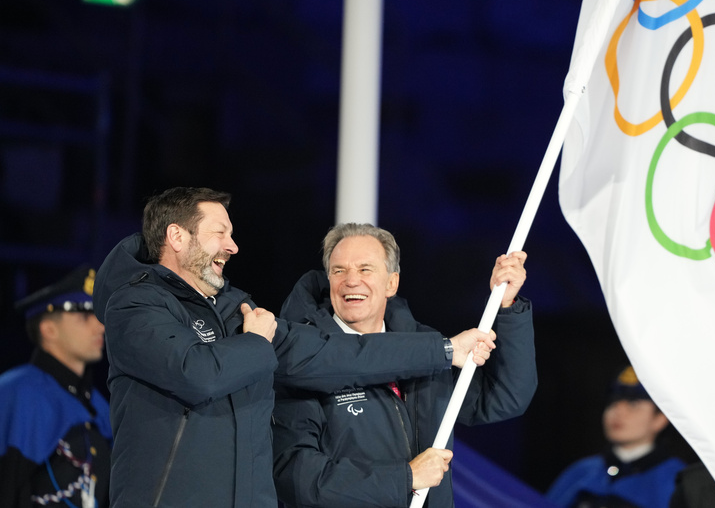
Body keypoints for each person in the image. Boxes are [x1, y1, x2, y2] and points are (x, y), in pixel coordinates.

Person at [92, 187, 493, 508]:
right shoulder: (134, 306)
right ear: (177, 236)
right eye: (220, 233)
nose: (233, 247)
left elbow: (338, 353)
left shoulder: (238, 310)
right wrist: (253, 341)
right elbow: (196, 374)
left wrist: (443, 351)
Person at [271, 222, 537, 508]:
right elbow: (298, 480)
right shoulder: (303, 360)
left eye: (365, 269)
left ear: (391, 283)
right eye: (339, 270)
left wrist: (507, 306)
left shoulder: (425, 349)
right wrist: (405, 478)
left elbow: (503, 398)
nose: (350, 280)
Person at [0, 265, 112, 508]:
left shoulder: (99, 406)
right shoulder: (15, 393)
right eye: (85, 316)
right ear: (48, 329)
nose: (100, 326)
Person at [546, 366, 686, 508]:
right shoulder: (582, 471)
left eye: (633, 404)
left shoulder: (677, 480)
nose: (618, 412)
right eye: (613, 403)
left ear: (660, 419)